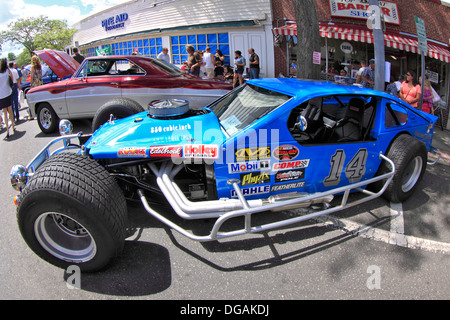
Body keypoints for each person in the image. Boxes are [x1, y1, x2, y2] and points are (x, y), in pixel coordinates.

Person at [0, 58, 16, 138]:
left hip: (1, 95)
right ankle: (13, 126)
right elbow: (12, 79)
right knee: (10, 111)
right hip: (8, 92)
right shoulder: (8, 70)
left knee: (5, 114)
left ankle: (7, 130)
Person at [29, 55, 43, 120]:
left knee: (33, 97)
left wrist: (30, 83)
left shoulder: (32, 67)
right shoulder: (39, 66)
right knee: (40, 96)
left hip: (35, 83)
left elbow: (32, 76)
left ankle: (32, 113)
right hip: (40, 82)